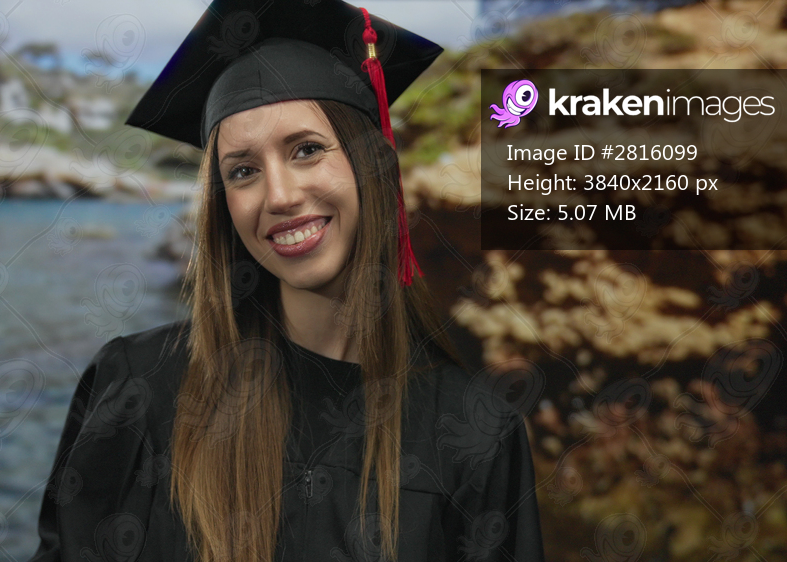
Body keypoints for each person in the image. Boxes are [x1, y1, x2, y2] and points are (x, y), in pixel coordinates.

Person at [30, 0, 546, 561]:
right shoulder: (140, 386)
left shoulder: (474, 430)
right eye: (243, 171)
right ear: (223, 203)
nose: (279, 196)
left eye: (307, 150)